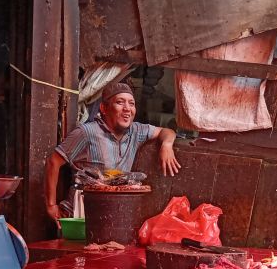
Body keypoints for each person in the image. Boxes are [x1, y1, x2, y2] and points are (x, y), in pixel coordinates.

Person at [43, 82, 180, 224]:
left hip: (113, 213)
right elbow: (53, 162)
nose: (127, 109)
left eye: (131, 104)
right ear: (104, 108)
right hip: (81, 214)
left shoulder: (136, 131)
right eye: (120, 102)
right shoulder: (87, 132)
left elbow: (167, 131)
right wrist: (51, 205)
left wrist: (167, 145)